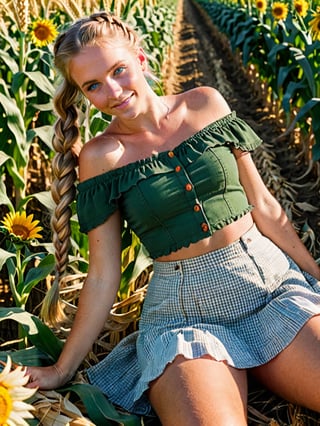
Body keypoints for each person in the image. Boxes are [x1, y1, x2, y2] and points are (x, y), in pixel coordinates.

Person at [26, 10, 320, 425]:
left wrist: (315, 280)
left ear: (141, 60)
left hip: (270, 288)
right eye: (93, 85)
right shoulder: (102, 158)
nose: (112, 91)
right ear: (83, 94)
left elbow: (266, 207)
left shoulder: (206, 104)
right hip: (187, 317)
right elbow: (104, 274)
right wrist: (61, 369)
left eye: (119, 70)